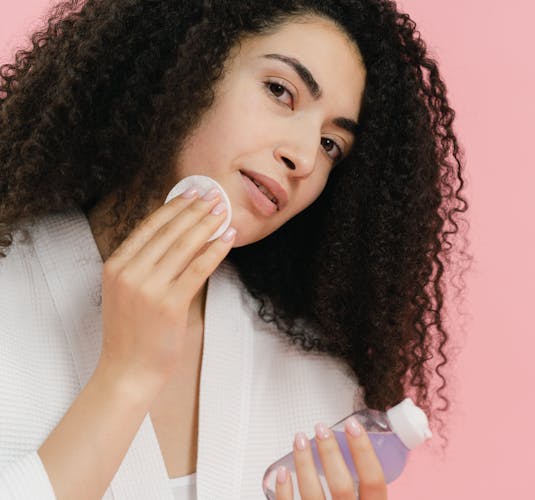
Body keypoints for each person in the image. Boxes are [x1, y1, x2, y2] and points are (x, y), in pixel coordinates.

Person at [0, 0, 467, 498]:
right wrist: (126, 378)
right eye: (279, 91)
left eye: (332, 145)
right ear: (187, 58)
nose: (304, 158)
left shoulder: (319, 385)